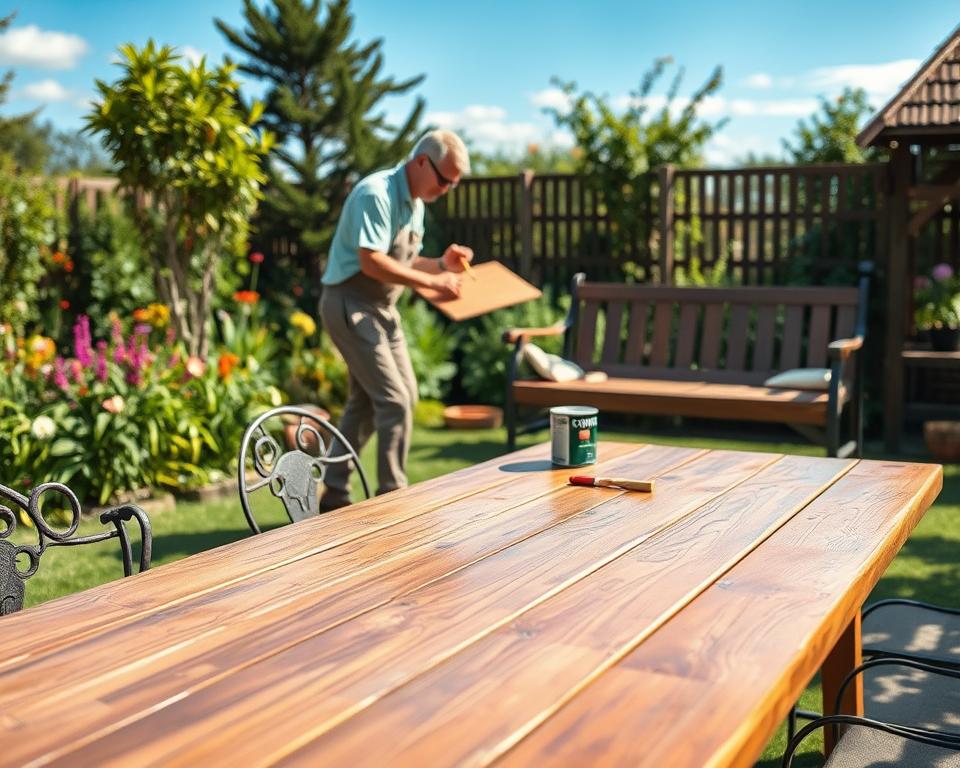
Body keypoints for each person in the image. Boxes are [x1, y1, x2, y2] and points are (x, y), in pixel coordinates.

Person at [318, 129, 473, 510]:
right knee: (394, 402)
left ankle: (333, 493)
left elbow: (405, 261)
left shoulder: (415, 204)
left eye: (452, 184)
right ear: (421, 161)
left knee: (373, 401)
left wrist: (441, 265)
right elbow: (371, 261)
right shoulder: (376, 195)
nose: (446, 190)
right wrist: (433, 282)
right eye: (444, 180)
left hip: (382, 310)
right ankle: (393, 500)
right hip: (350, 304)